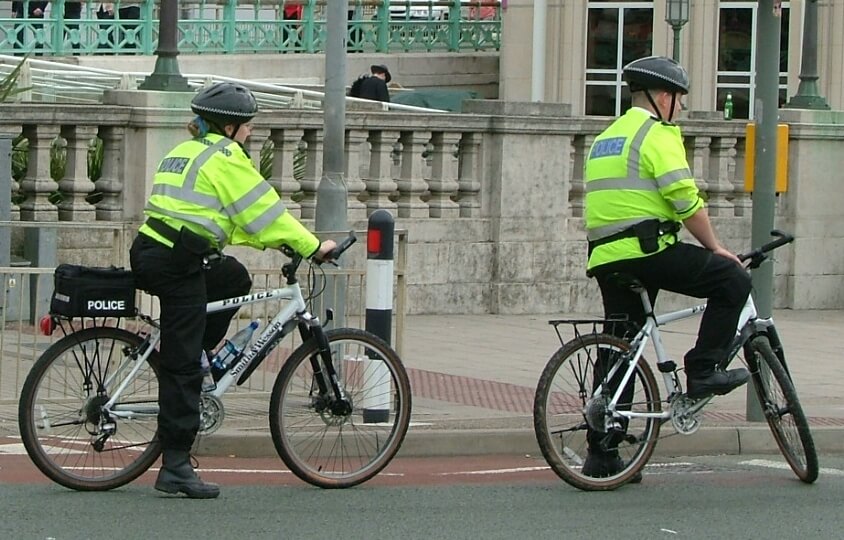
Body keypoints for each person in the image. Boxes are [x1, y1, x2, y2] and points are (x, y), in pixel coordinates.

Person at [129, 82, 337, 499]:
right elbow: (266, 210)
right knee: (182, 364)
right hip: (176, 262)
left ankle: (200, 353)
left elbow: (225, 218)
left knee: (233, 277)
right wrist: (312, 246)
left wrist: (272, 242)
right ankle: (175, 466)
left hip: (157, 250)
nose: (250, 134)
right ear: (228, 128)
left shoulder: (185, 151)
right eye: (247, 127)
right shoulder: (226, 158)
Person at [582, 55, 752, 478]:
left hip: (605, 256)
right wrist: (716, 247)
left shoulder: (608, 136)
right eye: (679, 100)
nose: (680, 109)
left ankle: (602, 454)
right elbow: (684, 200)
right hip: (649, 250)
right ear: (662, 98)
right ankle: (703, 370)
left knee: (622, 342)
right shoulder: (657, 133)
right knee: (732, 279)